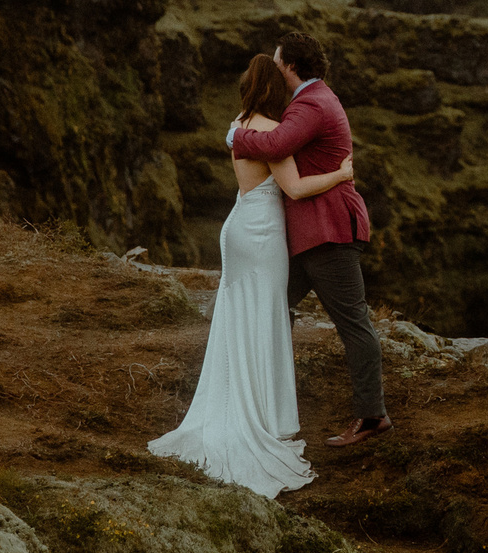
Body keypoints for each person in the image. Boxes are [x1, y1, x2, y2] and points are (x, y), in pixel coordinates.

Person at [147, 54, 355, 495]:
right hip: (261, 236)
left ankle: (234, 403)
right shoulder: (266, 130)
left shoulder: (239, 122)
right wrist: (339, 174)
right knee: (263, 317)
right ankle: (260, 417)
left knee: (239, 317)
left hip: (240, 225)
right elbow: (295, 187)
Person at [229, 30, 390, 447]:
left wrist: (234, 135)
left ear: (292, 65)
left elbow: (278, 143)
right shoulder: (315, 100)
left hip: (327, 233)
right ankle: (264, 399)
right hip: (310, 235)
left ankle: (372, 416)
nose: (277, 69)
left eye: (280, 61)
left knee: (353, 322)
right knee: (272, 305)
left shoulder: (312, 104)